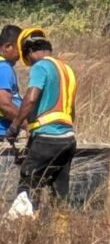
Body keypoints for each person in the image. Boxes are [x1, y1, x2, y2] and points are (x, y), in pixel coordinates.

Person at [6, 27, 77, 209]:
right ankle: (61, 225)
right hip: (68, 139)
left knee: (27, 183)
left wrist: (15, 126)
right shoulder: (67, 70)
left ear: (29, 51)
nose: (29, 65)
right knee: (59, 191)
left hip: (47, 138)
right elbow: (71, 111)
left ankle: (22, 224)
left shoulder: (40, 66)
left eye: (27, 60)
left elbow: (31, 98)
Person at [0, 24, 23, 139]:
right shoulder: (4, 68)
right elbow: (4, 104)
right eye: (20, 49)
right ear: (7, 47)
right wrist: (25, 124)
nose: (21, 55)